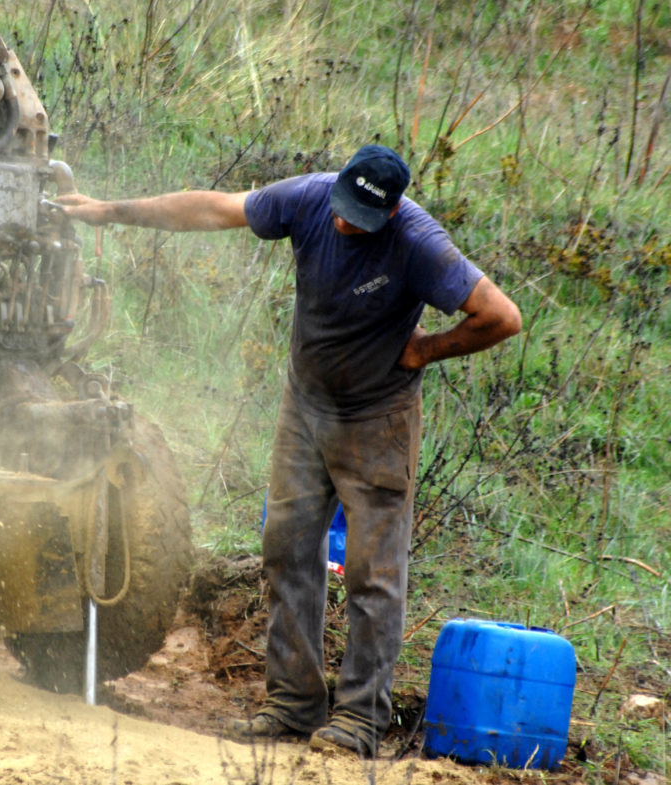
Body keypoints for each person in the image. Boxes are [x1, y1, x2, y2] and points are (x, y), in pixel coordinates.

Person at [57, 144, 522, 757]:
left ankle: (359, 719)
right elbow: (214, 209)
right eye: (342, 206)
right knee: (286, 549)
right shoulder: (309, 197)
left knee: (372, 574)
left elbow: (501, 316)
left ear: (392, 211)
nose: (343, 221)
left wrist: (423, 350)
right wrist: (110, 211)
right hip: (305, 409)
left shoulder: (419, 243)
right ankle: (293, 704)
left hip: (377, 420)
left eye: (360, 216)